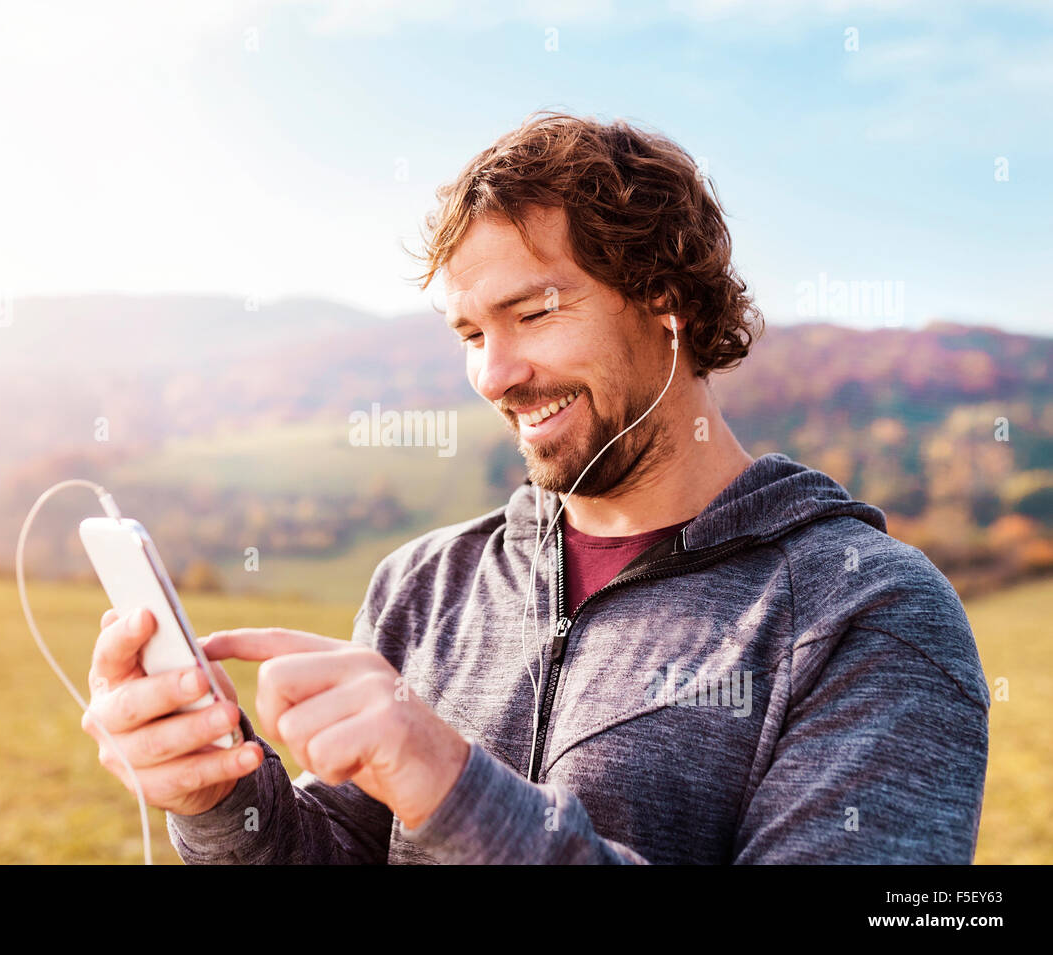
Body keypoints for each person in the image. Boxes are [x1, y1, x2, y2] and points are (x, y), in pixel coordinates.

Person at [82, 111, 989, 864]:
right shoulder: (423, 584)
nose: (496, 373)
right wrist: (222, 797)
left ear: (666, 300)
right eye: (472, 332)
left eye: (534, 312)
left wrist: (452, 785)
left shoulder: (868, 613)